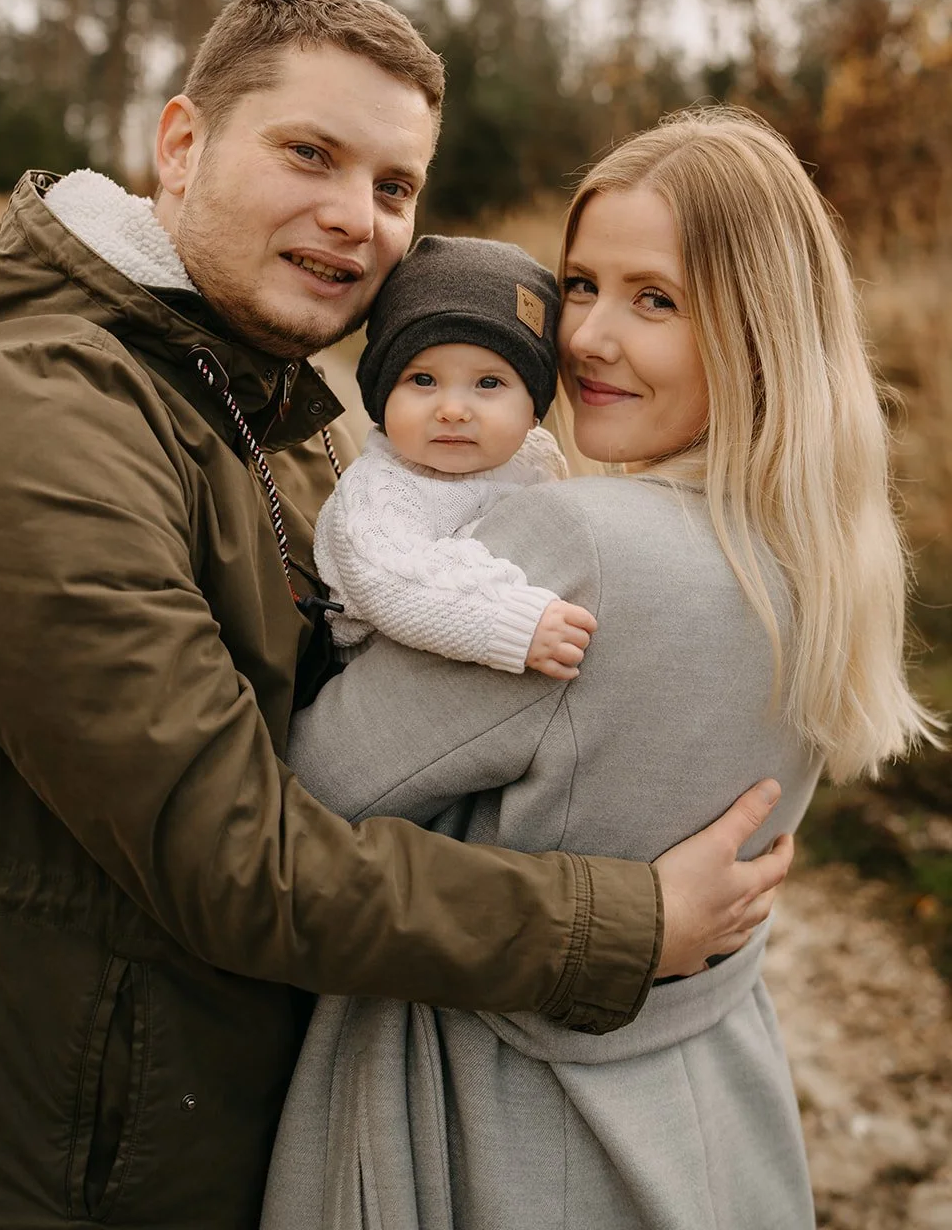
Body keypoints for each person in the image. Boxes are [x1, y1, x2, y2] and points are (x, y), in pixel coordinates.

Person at [0, 0, 792, 1230]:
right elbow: (233, 853)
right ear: (182, 143)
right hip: (55, 1164)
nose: (354, 218)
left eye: (392, 185)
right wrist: (620, 927)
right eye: (309, 153)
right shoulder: (35, 420)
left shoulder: (276, 411)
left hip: (195, 1131)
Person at [261, 108, 938, 1230]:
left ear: (757, 328)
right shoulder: (817, 553)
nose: (585, 339)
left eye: (654, 299)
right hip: (710, 1115)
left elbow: (311, 792)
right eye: (579, 285)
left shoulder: (580, 543)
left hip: (505, 1132)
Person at [316, 234, 597, 680]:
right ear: (382, 395)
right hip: (389, 675)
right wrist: (512, 621)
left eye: (488, 384)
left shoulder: (535, 458)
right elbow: (393, 582)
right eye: (423, 380)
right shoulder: (378, 490)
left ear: (533, 408)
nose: (452, 410)